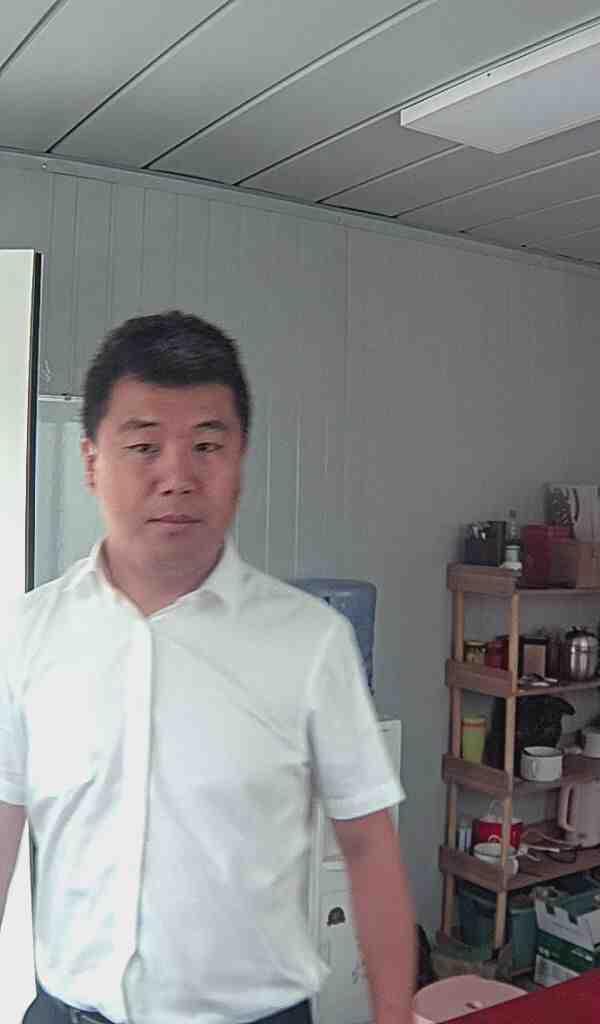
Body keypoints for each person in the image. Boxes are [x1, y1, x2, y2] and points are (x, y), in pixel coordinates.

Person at [0, 311, 415, 1024]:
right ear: (92, 462)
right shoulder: (27, 633)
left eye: (206, 446)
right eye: (144, 446)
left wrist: (393, 1013)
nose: (177, 477)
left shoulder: (310, 642)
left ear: (240, 462)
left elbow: (370, 848)